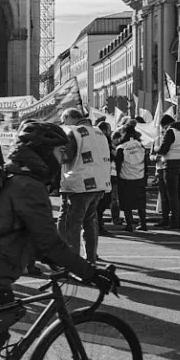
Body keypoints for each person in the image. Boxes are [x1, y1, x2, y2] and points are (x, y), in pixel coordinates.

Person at [0, 122, 120, 360]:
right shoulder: (28, 186)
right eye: (61, 153)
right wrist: (91, 273)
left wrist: (56, 262)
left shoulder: (16, 176)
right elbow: (49, 242)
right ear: (44, 151)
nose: (64, 160)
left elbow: (27, 235)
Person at [58, 107, 111, 261]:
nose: (64, 124)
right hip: (99, 183)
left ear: (69, 117)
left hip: (79, 183)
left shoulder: (74, 132)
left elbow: (66, 157)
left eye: (64, 121)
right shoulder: (99, 132)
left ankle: (72, 261)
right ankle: (91, 258)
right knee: (90, 221)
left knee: (72, 223)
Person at [154, 114, 180, 229]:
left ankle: (174, 222)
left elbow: (164, 149)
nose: (163, 130)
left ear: (166, 125)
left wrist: (156, 150)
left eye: (163, 127)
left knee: (172, 195)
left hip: (171, 165)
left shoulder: (171, 132)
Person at [114, 127, 148, 232]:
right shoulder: (140, 146)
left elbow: (118, 166)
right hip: (139, 177)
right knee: (141, 203)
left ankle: (129, 225)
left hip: (126, 179)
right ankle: (143, 224)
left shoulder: (121, 148)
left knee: (126, 203)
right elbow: (146, 163)